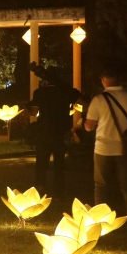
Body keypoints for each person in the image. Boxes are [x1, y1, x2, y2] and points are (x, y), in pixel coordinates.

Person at [83, 65, 127, 236]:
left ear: (103, 80)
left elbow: (88, 127)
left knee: (101, 185)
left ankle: (100, 222)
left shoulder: (98, 99)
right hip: (125, 149)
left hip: (103, 148)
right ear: (119, 79)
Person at [26, 63, 81, 195]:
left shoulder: (39, 92)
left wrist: (28, 108)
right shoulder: (66, 91)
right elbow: (76, 93)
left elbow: (33, 112)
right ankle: (59, 191)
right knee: (59, 164)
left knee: (41, 163)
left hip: (44, 130)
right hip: (61, 131)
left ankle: (39, 188)